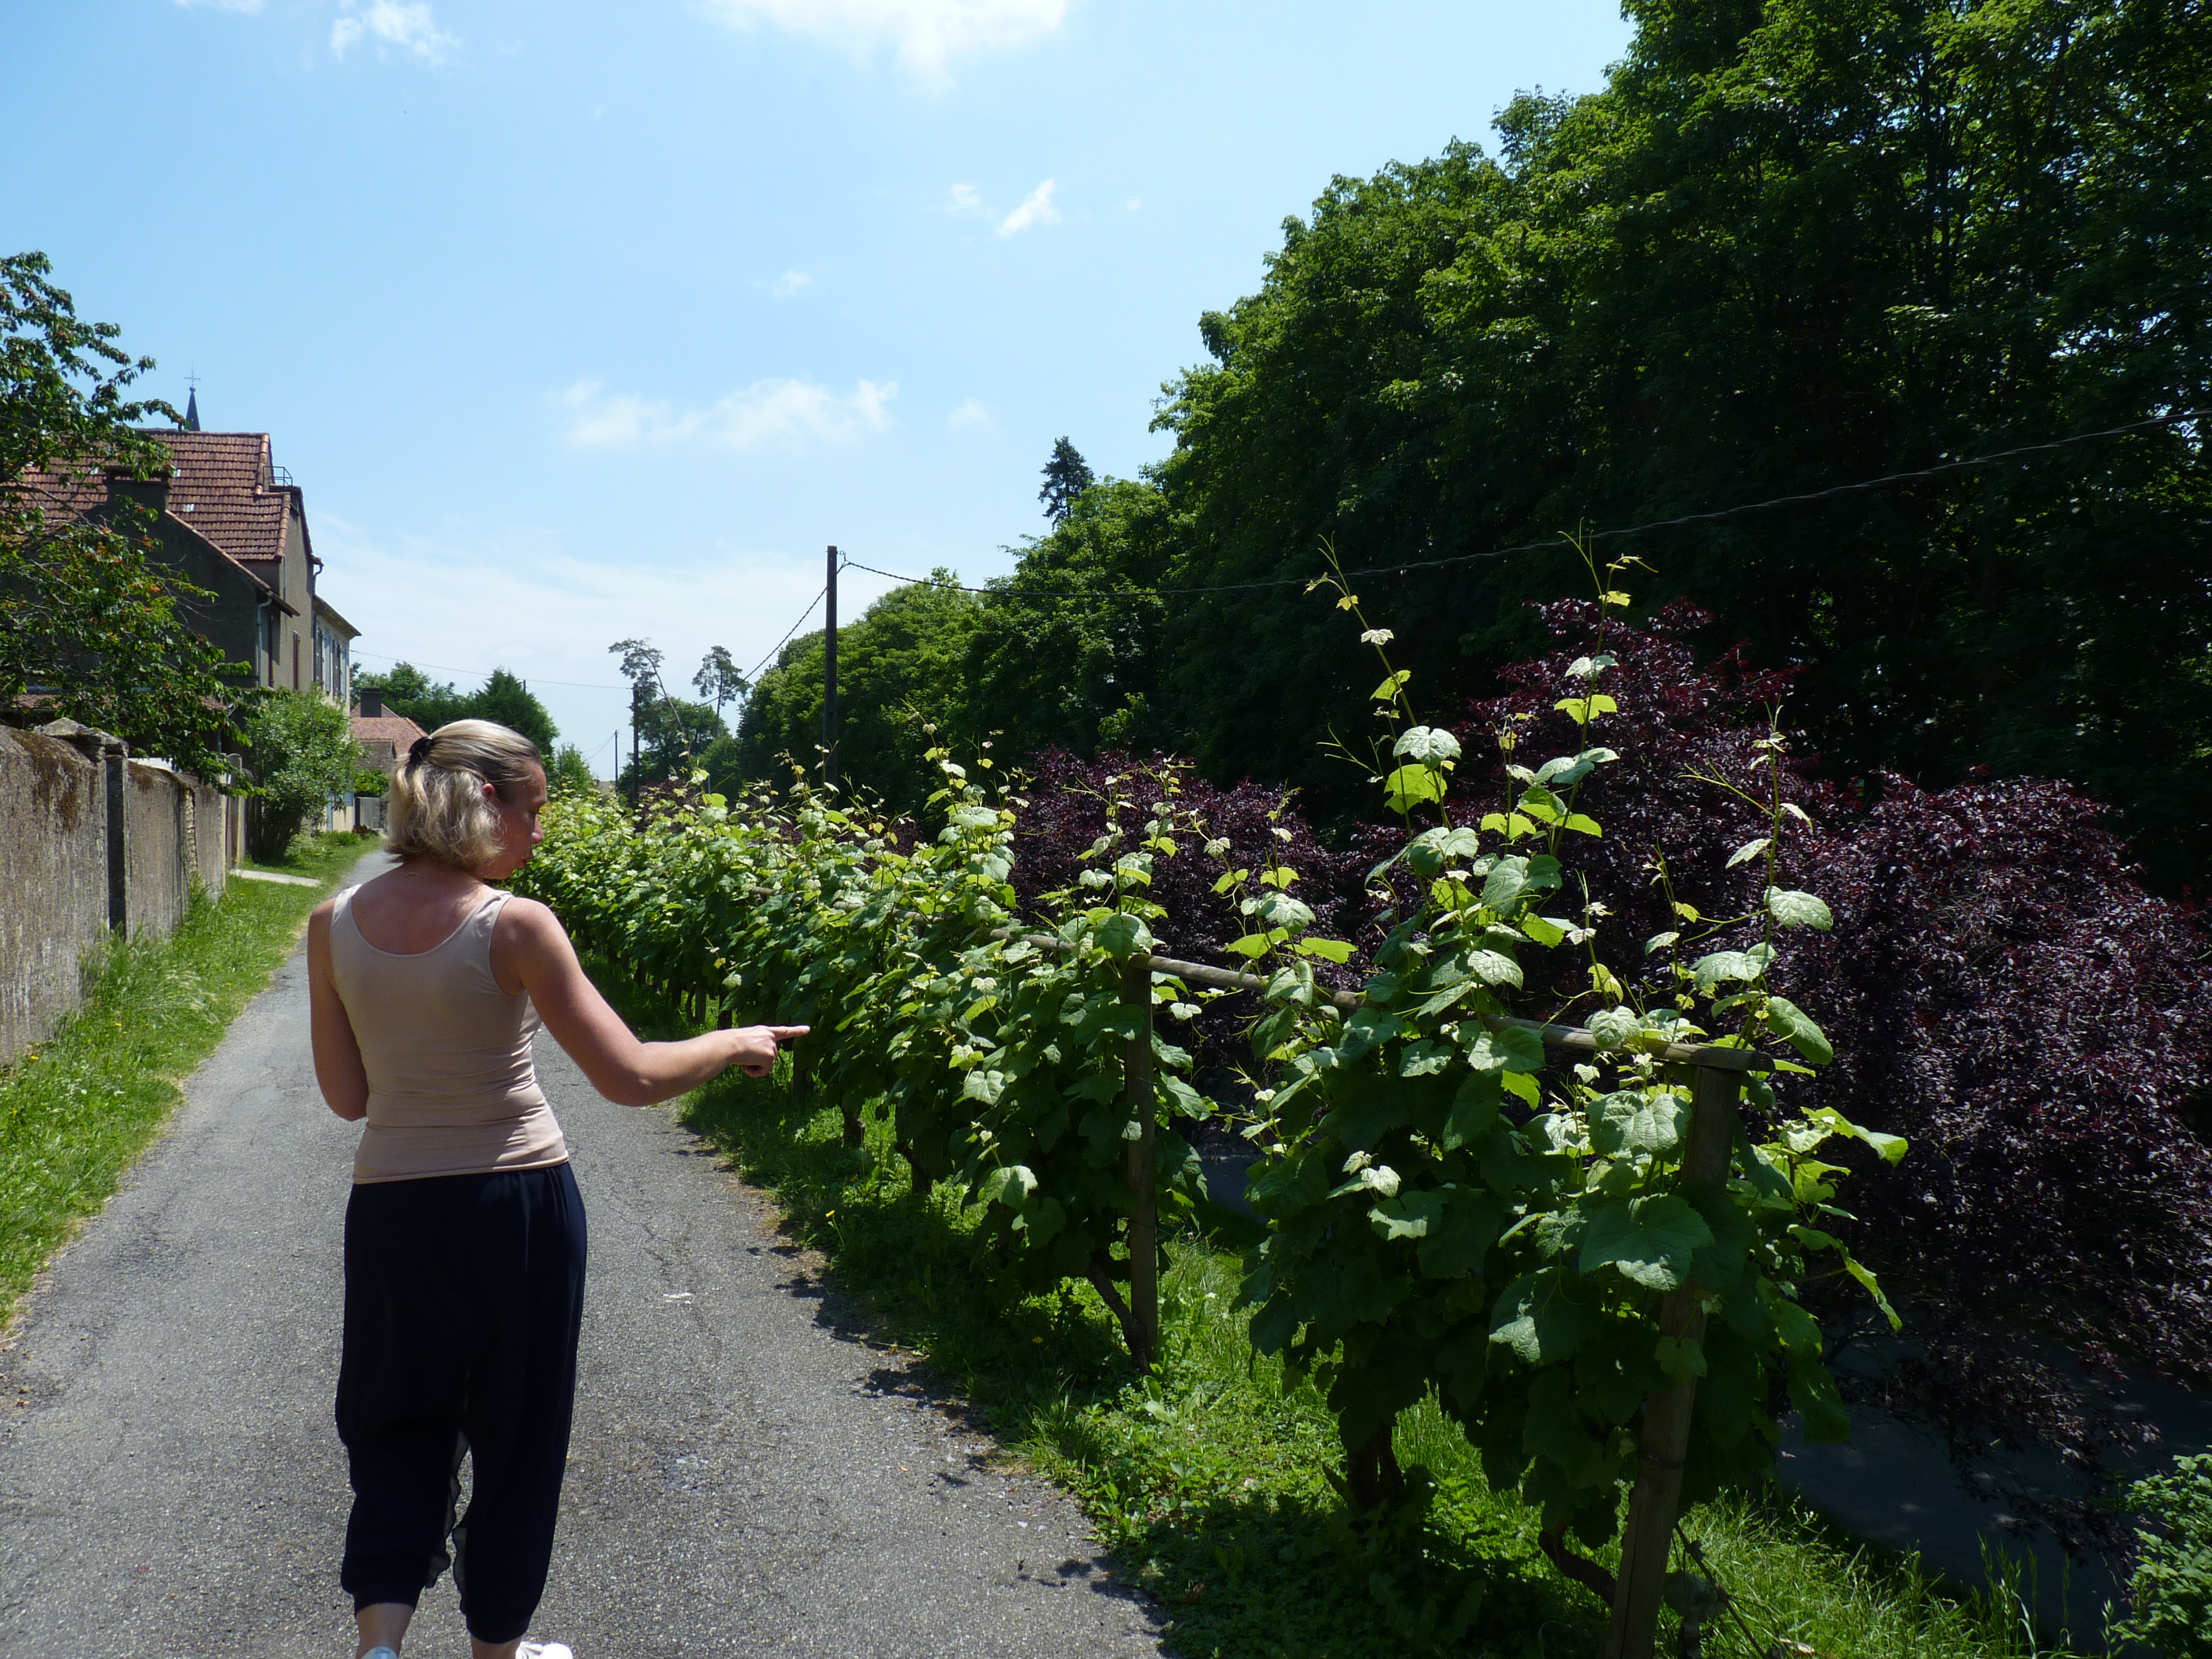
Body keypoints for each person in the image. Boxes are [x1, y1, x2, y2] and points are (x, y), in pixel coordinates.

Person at [306, 719, 804, 1659]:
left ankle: (379, 1647)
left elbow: (348, 1099)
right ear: (485, 803)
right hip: (516, 1208)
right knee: (517, 1431)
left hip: (393, 1213)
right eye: (534, 811)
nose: (540, 834)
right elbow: (632, 1076)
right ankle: (496, 1650)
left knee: (396, 1423)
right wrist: (737, 1042)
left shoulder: (332, 925)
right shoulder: (514, 923)